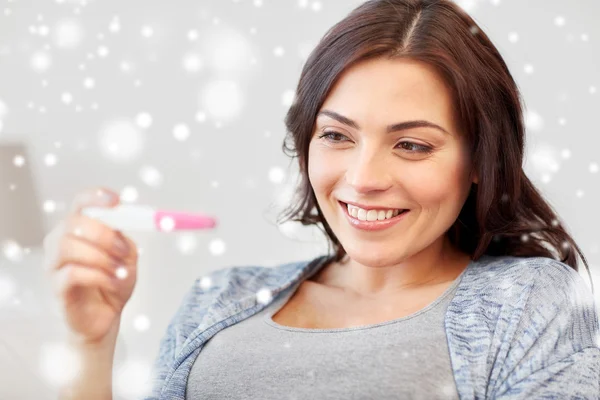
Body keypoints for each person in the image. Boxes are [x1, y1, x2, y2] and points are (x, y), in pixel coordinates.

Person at [44, 0, 600, 399]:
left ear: (480, 161)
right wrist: (92, 345)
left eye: (411, 144)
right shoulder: (216, 300)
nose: (363, 178)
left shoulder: (531, 303)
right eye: (336, 135)